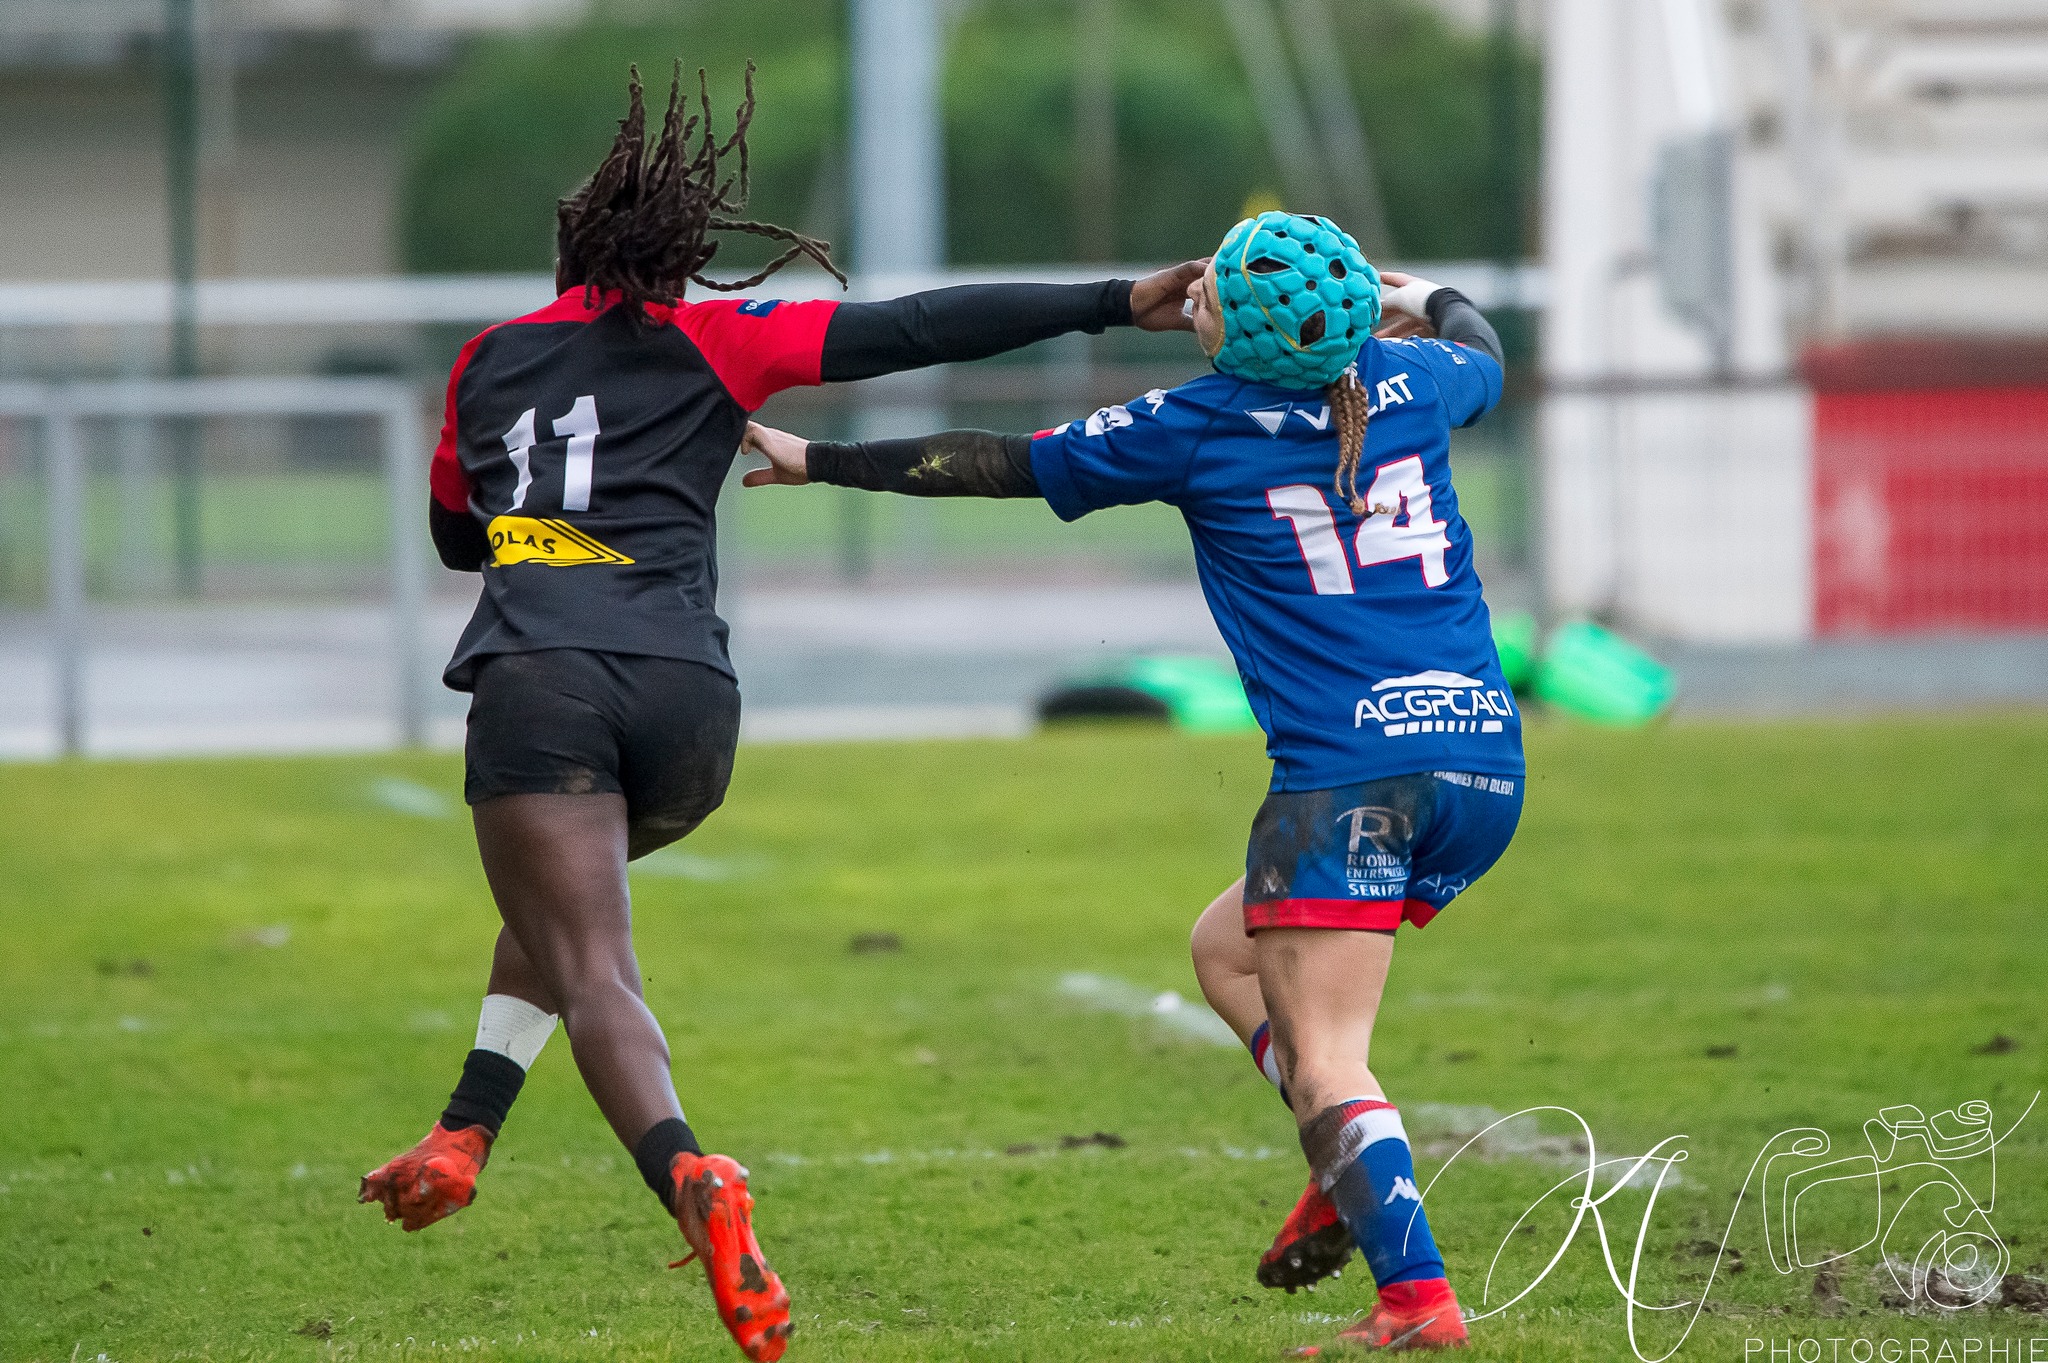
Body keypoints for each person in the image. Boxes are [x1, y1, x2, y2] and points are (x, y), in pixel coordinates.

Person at [354, 62, 1203, 1363]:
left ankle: (692, 1172)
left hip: (544, 683)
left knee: (589, 956)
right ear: (689, 259)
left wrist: (548, 539)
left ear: (569, 251)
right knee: (563, 911)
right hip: (691, 703)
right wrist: (1116, 299)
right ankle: (465, 1128)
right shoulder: (721, 341)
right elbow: (922, 327)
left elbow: (456, 536)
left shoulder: (487, 358)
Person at [740, 210, 1523, 1353]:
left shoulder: (1195, 423)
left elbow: (997, 464)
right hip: (1482, 768)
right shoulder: (1417, 376)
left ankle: (1415, 1297)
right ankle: (1344, 1158)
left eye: (1213, 288)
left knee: (1329, 1057)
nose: (1198, 293)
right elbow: (1486, 353)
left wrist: (818, 460)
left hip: (1349, 779)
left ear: (1232, 330)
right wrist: (1429, 294)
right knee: (1223, 951)